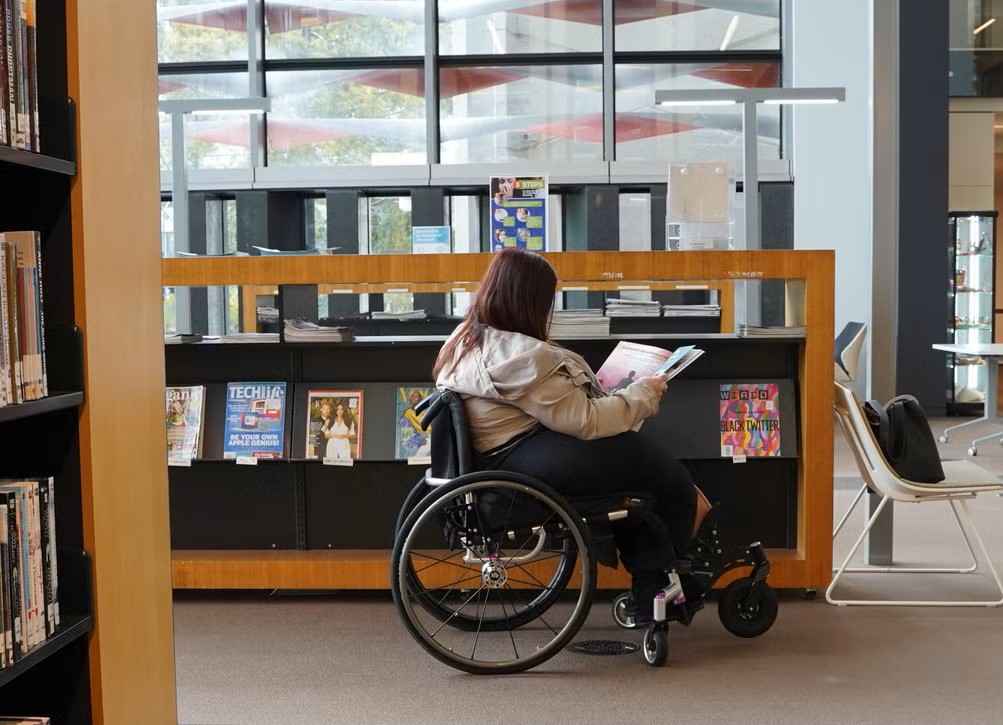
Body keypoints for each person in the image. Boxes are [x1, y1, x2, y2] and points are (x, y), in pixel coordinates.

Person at [434, 248, 706, 622]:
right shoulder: (523, 358)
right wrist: (644, 393)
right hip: (525, 455)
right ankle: (664, 590)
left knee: (634, 486)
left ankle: (655, 587)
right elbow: (587, 420)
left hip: (502, 453)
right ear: (532, 301)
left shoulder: (468, 339)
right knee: (670, 479)